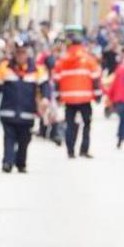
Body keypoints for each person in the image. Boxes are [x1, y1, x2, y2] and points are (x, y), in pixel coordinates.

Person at [0, 40, 49, 174]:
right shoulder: (4, 67)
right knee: (9, 137)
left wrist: (45, 98)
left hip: (27, 112)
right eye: (18, 53)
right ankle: (7, 162)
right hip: (8, 111)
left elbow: (45, 86)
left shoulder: (36, 69)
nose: (21, 56)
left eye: (23, 53)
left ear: (28, 53)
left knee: (24, 139)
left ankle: (21, 163)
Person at [51, 26, 101, 158]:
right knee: (87, 124)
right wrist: (97, 95)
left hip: (68, 99)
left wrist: (57, 96)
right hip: (84, 98)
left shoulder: (62, 60)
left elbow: (56, 79)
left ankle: (70, 150)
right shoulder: (89, 59)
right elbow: (96, 78)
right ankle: (84, 149)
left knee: (70, 125)